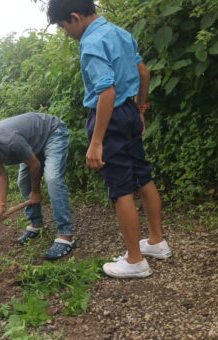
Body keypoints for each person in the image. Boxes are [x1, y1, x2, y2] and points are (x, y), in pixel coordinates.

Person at [47, 0, 171, 278]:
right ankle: (156, 241)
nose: (66, 32)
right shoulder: (119, 33)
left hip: (109, 117)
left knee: (121, 188)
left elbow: (106, 93)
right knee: (143, 175)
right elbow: (143, 72)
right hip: (129, 110)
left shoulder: (91, 44)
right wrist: (140, 109)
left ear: (75, 17)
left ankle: (135, 261)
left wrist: (97, 141)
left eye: (64, 26)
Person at [0, 112, 74, 260]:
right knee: (23, 182)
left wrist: (36, 192)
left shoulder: (8, 140)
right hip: (32, 144)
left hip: (52, 132)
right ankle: (36, 224)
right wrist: (1, 205)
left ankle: (65, 235)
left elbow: (35, 164)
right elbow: (0, 174)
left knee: (53, 179)